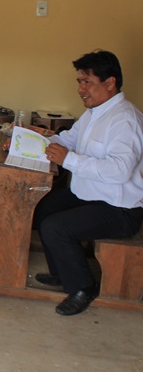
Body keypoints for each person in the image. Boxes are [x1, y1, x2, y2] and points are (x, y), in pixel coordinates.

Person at [33, 50, 143, 316]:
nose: (81, 89)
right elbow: (68, 140)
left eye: (87, 82)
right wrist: (36, 140)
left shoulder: (125, 120)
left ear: (110, 82)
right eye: (79, 82)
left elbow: (120, 171)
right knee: (43, 207)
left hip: (120, 208)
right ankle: (62, 272)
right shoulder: (95, 113)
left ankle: (83, 287)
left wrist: (69, 159)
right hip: (91, 194)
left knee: (56, 226)